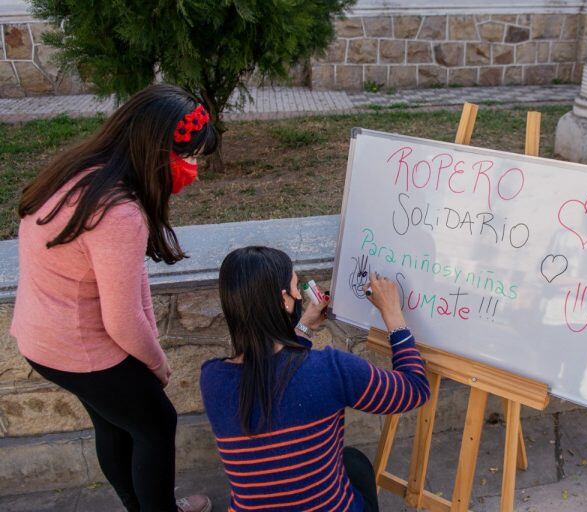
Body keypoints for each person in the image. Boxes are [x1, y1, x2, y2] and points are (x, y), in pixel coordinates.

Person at [11, 84, 217, 512]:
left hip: (44, 339)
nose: (194, 168)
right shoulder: (118, 211)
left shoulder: (83, 172)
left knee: (114, 425)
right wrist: (156, 363)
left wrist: (148, 349)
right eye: (190, 156)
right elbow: (121, 320)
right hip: (79, 348)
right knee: (157, 424)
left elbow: (129, 277)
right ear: (157, 152)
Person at [200, 246, 431, 511]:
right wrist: (392, 313)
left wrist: (303, 327)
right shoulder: (330, 370)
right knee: (356, 464)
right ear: (284, 300)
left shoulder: (212, 379)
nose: (300, 295)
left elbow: (276, 370)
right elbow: (415, 388)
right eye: (296, 287)